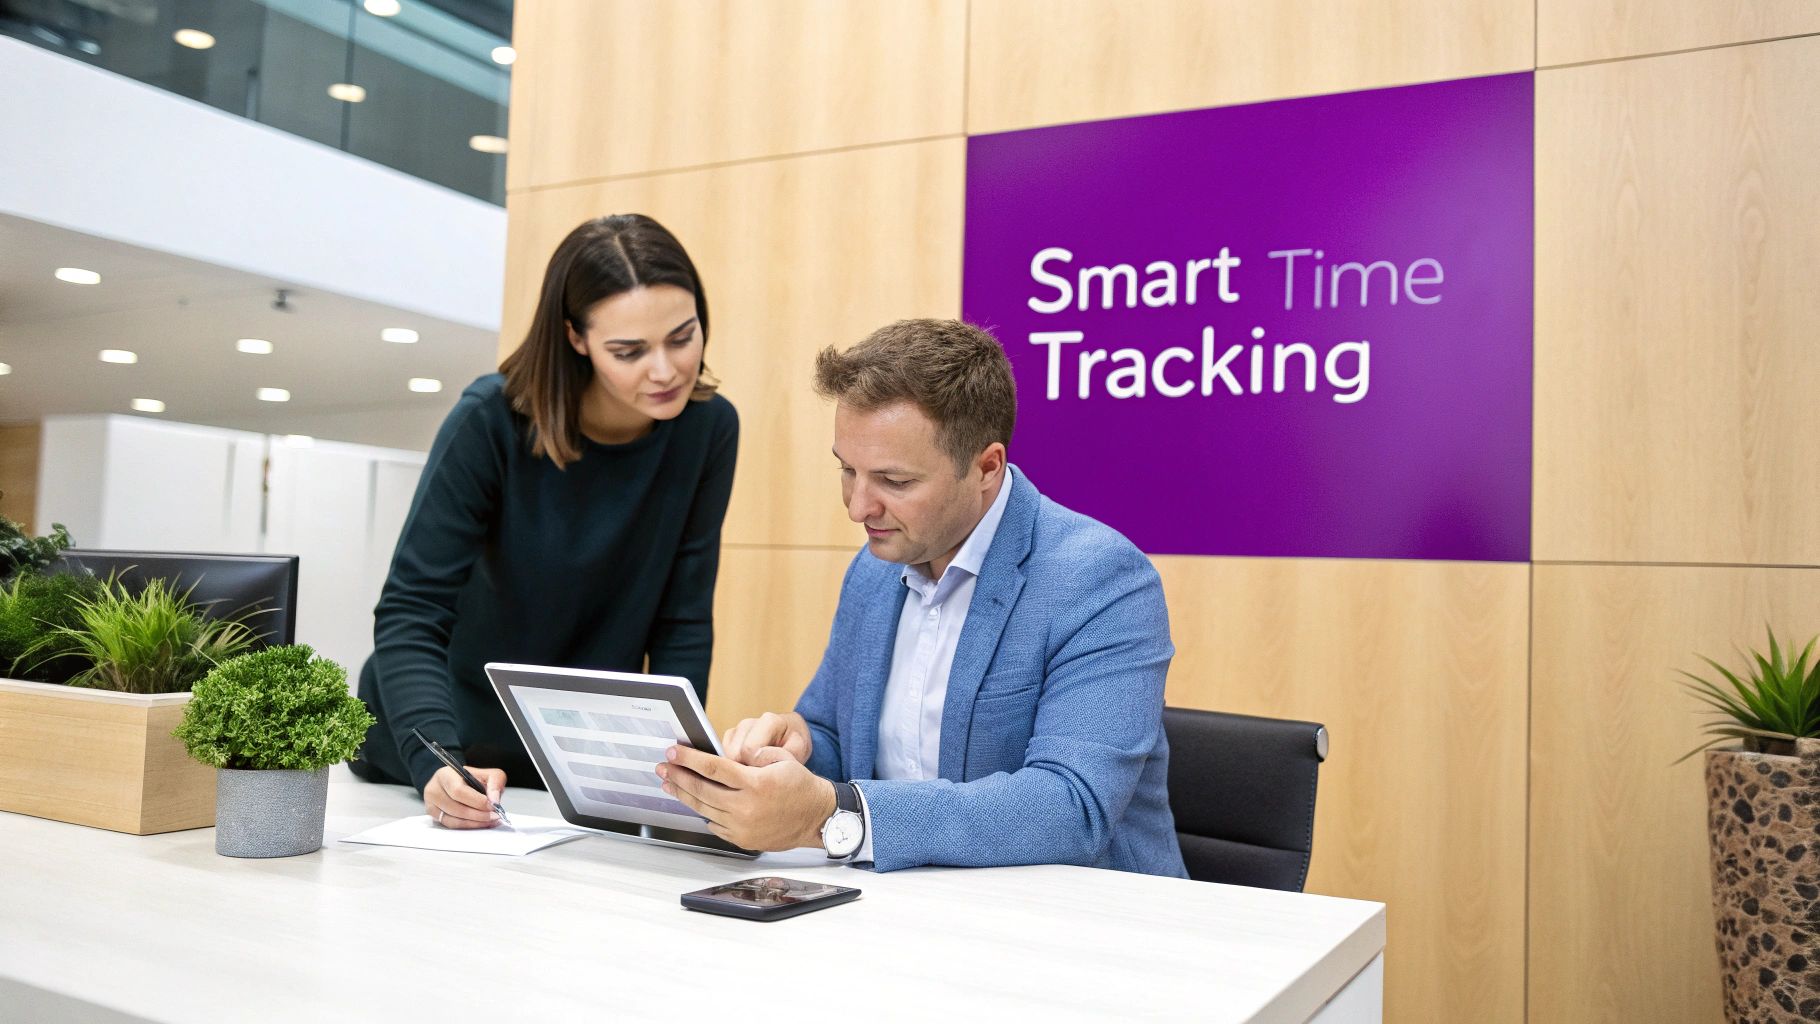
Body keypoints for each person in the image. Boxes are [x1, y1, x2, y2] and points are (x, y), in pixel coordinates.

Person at [655, 319, 1186, 876]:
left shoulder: (1100, 581)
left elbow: (1071, 807)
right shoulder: (874, 568)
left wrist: (830, 816)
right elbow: (839, 736)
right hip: (912, 912)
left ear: (986, 468)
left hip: (1090, 927)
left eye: (895, 481)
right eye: (847, 470)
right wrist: (799, 747)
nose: (858, 507)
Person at [351, 214, 738, 831]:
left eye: (682, 337)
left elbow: (682, 619)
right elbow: (411, 612)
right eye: (629, 351)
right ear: (575, 337)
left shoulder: (708, 429)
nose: (665, 370)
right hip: (443, 744)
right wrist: (439, 762)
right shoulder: (491, 420)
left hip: (580, 759)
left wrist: (675, 766)